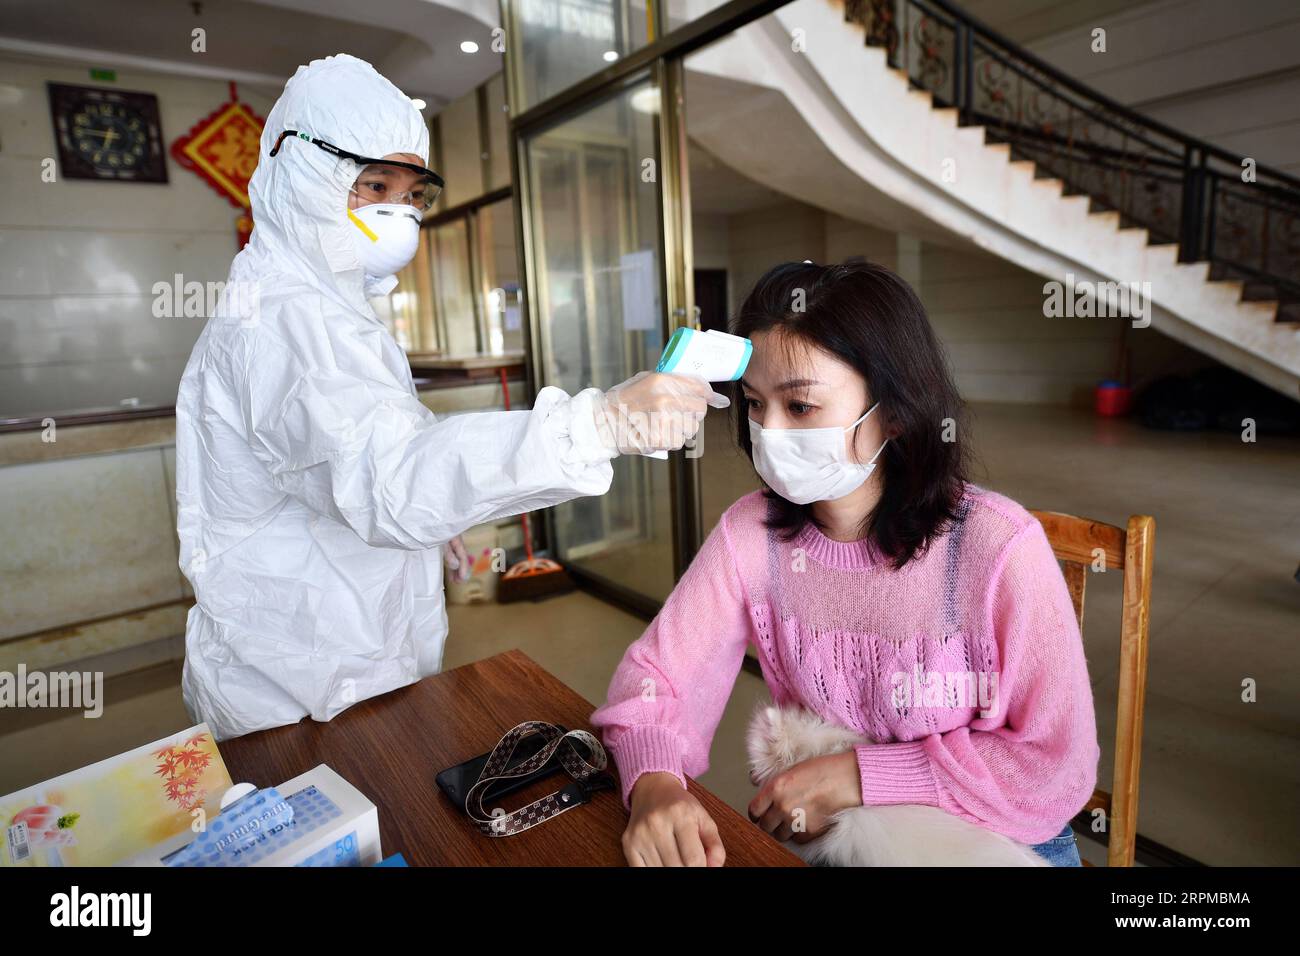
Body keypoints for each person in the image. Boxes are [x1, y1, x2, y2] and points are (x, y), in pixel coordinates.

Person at [175, 54, 725, 741]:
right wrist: (595, 426)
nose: (400, 213)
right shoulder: (283, 321)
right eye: (374, 183)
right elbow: (390, 482)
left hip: (347, 666)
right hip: (295, 697)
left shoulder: (328, 310)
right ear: (301, 170)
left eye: (411, 194)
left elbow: (385, 460)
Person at [590, 260, 1100, 866]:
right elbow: (655, 680)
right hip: (843, 845)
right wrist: (654, 785)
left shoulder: (993, 546)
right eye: (754, 405)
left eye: (800, 406)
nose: (768, 433)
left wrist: (861, 776)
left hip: (999, 841)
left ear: (894, 411)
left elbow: (1055, 764)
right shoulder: (751, 536)